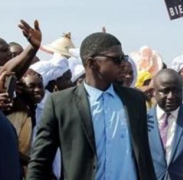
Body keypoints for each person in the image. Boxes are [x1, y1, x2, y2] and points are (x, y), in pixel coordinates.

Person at [27, 32, 156, 180]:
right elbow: (40, 162)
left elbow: (144, 158)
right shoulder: (60, 103)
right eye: (116, 59)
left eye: (123, 57)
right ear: (92, 63)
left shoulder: (135, 100)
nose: (123, 63)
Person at [147, 69, 183, 180]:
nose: (171, 96)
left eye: (176, 90)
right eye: (165, 91)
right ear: (154, 91)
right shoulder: (142, 120)